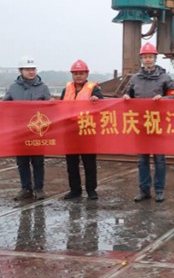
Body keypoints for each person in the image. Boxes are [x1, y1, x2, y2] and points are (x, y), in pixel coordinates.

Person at [123, 42, 174, 203]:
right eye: (145, 57)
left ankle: (159, 190)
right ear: (142, 59)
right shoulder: (135, 78)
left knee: (159, 160)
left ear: (155, 58)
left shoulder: (164, 78)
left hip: (158, 124)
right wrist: (126, 97)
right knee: (142, 160)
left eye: (150, 57)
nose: (148, 59)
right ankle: (144, 190)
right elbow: (128, 95)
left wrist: (164, 98)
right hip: (140, 125)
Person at [3, 56, 52, 201]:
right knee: (22, 162)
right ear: (21, 71)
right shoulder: (13, 88)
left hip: (37, 130)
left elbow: (51, 109)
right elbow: (4, 106)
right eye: (28, 69)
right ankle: (26, 188)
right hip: (19, 131)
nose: (31, 72)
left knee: (38, 161)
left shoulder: (43, 88)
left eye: (33, 69)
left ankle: (39, 188)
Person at [60, 60, 104, 200]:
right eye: (75, 74)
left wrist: (96, 99)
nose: (78, 76)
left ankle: (91, 190)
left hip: (87, 131)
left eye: (81, 73)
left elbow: (102, 105)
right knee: (71, 163)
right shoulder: (66, 90)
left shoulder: (94, 89)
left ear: (86, 74)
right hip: (70, 132)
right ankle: (75, 190)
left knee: (89, 163)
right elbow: (59, 107)